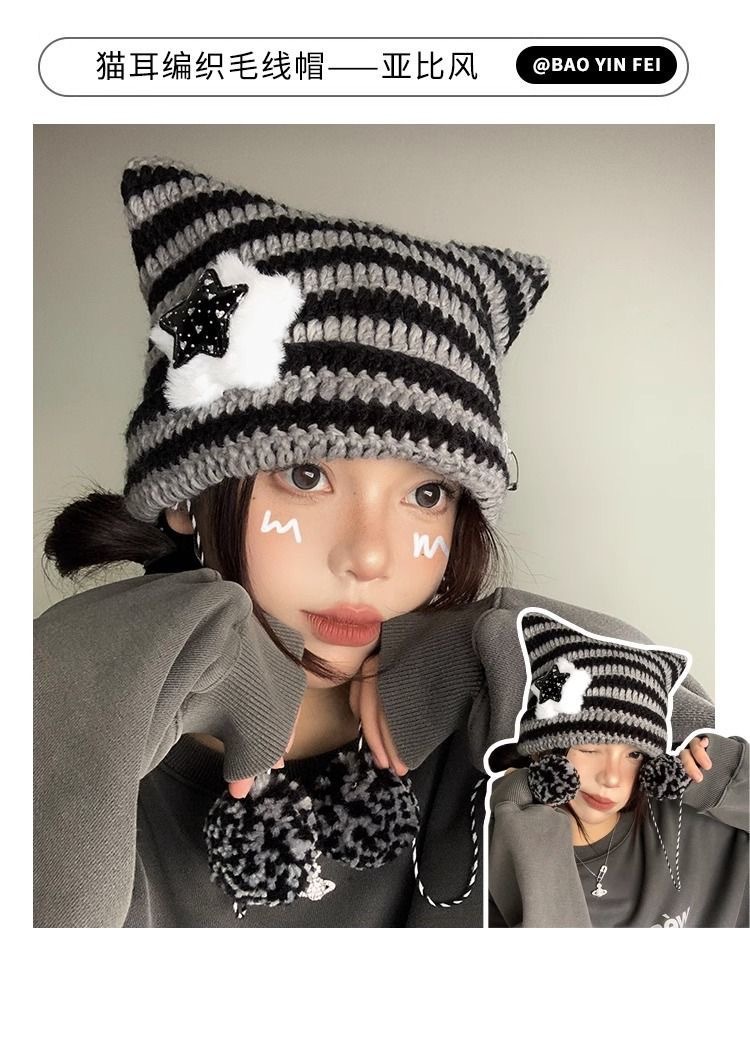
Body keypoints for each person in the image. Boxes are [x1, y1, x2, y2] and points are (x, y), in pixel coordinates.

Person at [34, 156, 715, 927]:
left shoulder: (492, 746)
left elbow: (701, 830)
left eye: (426, 495)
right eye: (305, 474)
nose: (370, 556)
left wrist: (507, 650)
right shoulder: (85, 729)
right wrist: (122, 667)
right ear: (187, 495)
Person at [486, 609, 748, 928]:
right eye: (589, 748)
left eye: (634, 754)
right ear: (543, 753)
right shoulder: (508, 853)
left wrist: (717, 775)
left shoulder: (688, 812)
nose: (611, 777)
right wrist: (520, 814)